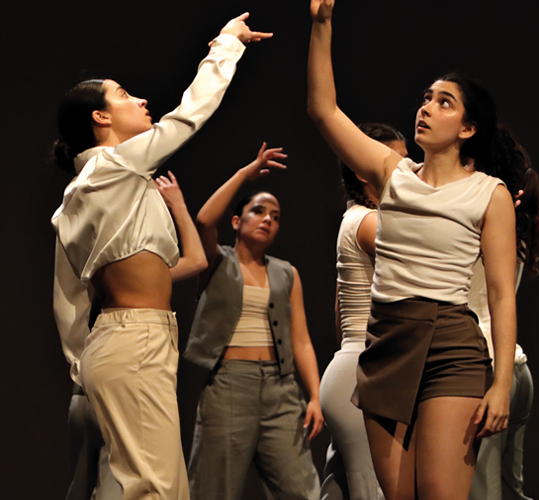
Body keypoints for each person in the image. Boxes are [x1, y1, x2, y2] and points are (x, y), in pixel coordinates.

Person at [307, 1, 526, 498]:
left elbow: (500, 294)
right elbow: (323, 111)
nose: (426, 108)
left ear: (468, 128)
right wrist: (322, 25)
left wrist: (501, 384)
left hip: (452, 346)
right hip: (387, 342)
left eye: (444, 102)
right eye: (426, 99)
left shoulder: (488, 194)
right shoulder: (392, 174)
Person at [51, 13, 271, 500]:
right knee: (157, 489)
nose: (141, 100)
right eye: (124, 95)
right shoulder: (113, 167)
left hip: (123, 341)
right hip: (134, 340)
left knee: (152, 486)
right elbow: (189, 115)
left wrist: (81, 365)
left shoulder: (85, 191)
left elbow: (68, 298)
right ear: (101, 118)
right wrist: (226, 45)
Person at [184, 143, 324, 500]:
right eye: (258, 211)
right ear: (237, 221)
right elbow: (204, 220)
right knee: (214, 491)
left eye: (275, 216)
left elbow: (301, 339)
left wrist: (315, 395)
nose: (267, 220)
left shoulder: (286, 273)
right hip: (230, 386)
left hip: (281, 389)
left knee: (303, 491)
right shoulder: (217, 262)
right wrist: (246, 173)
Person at [65, 172, 202, 500]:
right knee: (130, 483)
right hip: (117, 370)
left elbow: (197, 260)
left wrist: (177, 206)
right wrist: (178, 207)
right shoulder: (110, 262)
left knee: (98, 484)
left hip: (98, 375)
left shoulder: (132, 269)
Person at [319, 123, 406, 500]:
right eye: (397, 160)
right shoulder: (369, 223)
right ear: (362, 168)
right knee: (373, 491)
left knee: (339, 489)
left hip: (354, 369)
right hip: (362, 375)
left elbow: (340, 304)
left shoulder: (355, 218)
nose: (409, 169)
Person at [468, 168, 539, 500]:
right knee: (511, 489)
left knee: (482, 490)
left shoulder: (483, 228)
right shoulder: (516, 234)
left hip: (489, 368)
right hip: (517, 369)